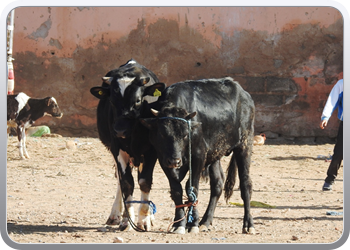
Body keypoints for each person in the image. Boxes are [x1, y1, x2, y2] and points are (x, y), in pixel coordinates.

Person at [320, 78, 343, 191]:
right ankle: (329, 179)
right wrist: (325, 116)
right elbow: (332, 100)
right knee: (339, 153)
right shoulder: (342, 84)